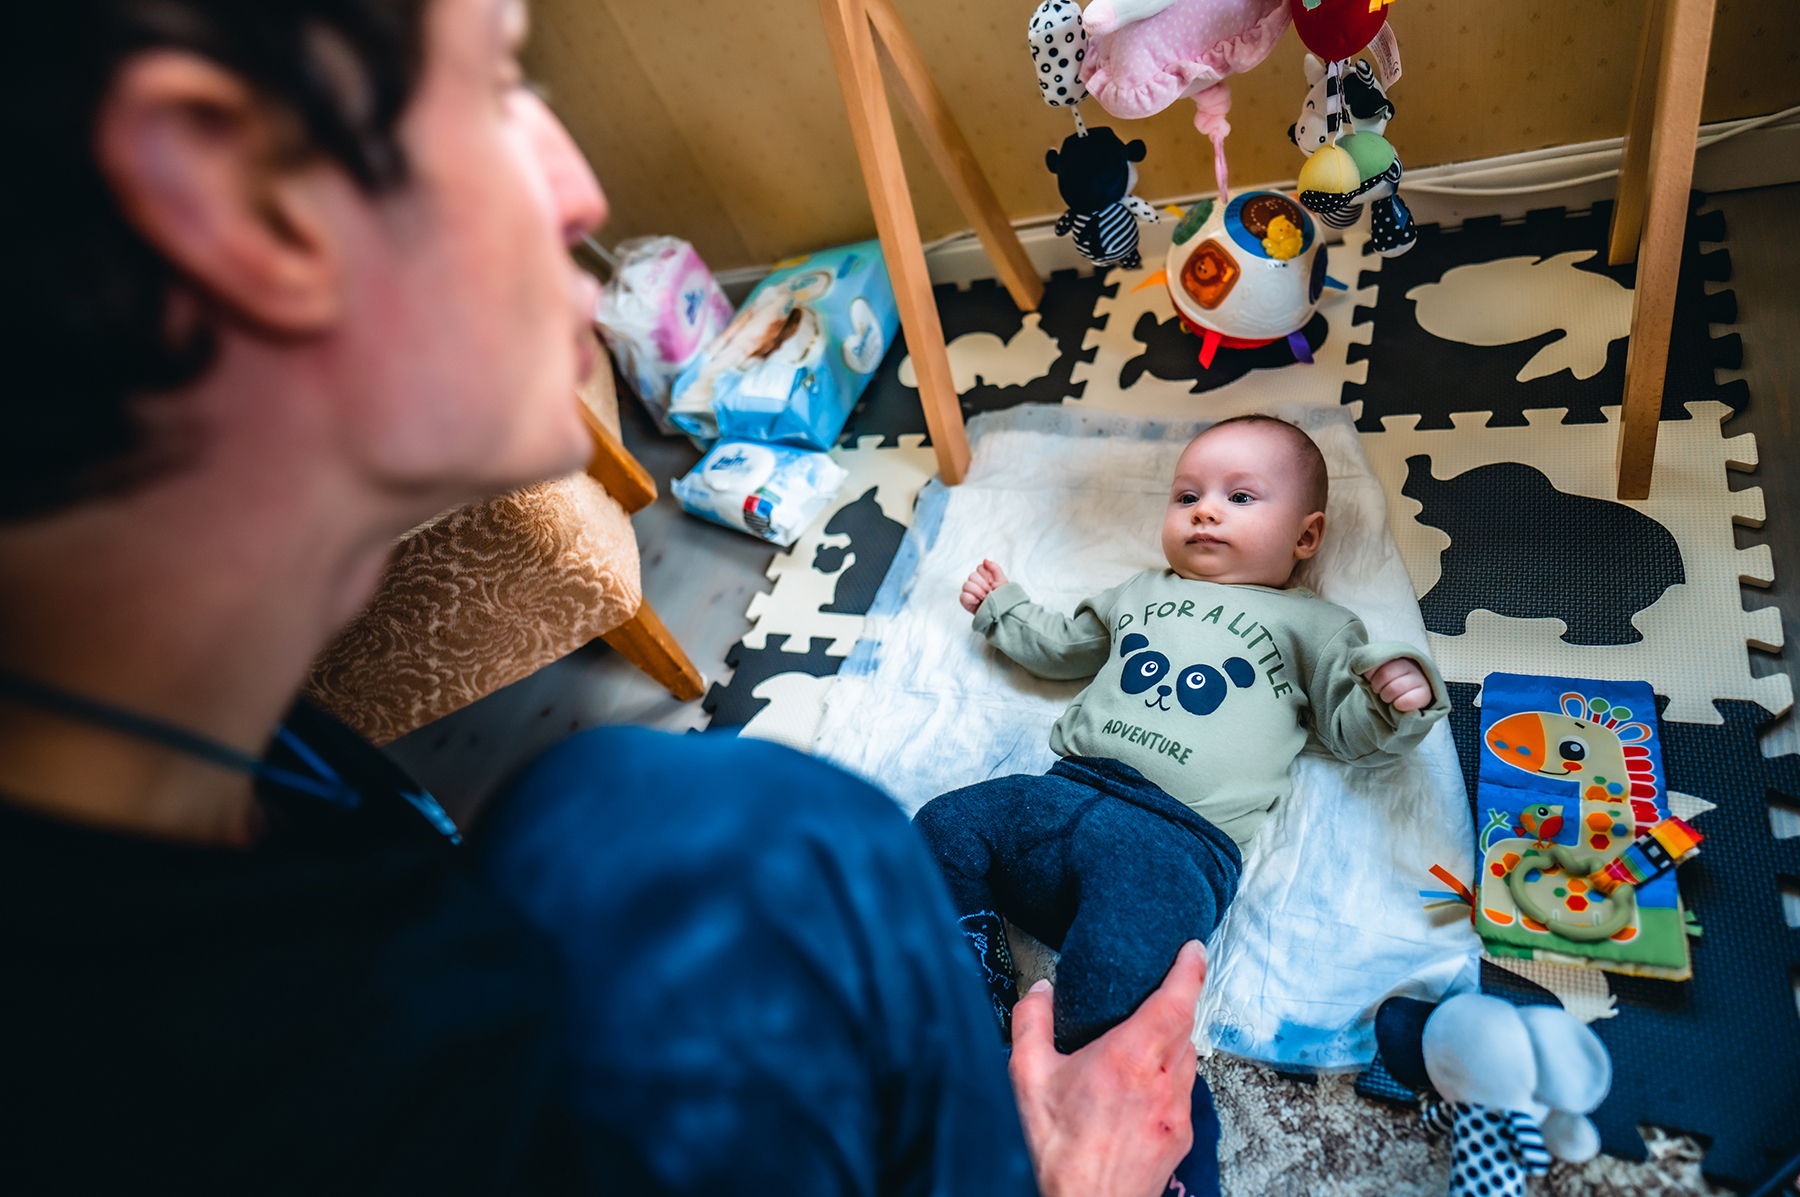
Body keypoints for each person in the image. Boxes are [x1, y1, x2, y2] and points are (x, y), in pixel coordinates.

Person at [0, 0, 1206, 1193]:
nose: (579, 190)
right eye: (492, 91)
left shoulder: (236, 777)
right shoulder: (202, 1069)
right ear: (223, 192)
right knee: (700, 840)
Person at [915, 416, 1451, 1186]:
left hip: (1175, 844)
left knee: (1118, 973)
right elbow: (1066, 646)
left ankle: (1071, 1096)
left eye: (1239, 496)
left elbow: (1350, 727)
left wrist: (1394, 697)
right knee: (941, 828)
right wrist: (1002, 609)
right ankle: (978, 992)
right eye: (1188, 495)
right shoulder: (1141, 591)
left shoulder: (1317, 624)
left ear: (1306, 538)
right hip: (1063, 793)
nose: (1205, 510)